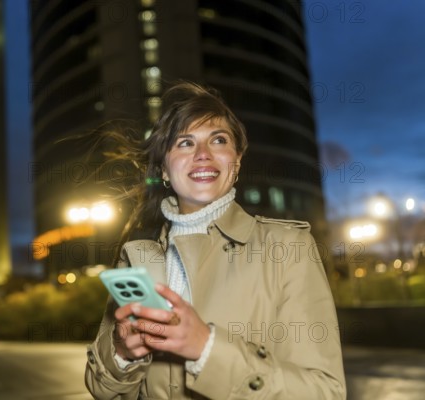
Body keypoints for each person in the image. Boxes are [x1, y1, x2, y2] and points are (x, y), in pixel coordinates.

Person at [84, 82, 346, 399]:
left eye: (218, 140)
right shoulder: (138, 259)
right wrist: (123, 353)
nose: (203, 155)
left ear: (236, 162)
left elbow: (325, 392)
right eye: (185, 143)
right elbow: (101, 389)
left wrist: (207, 349)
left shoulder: (287, 247)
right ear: (164, 169)